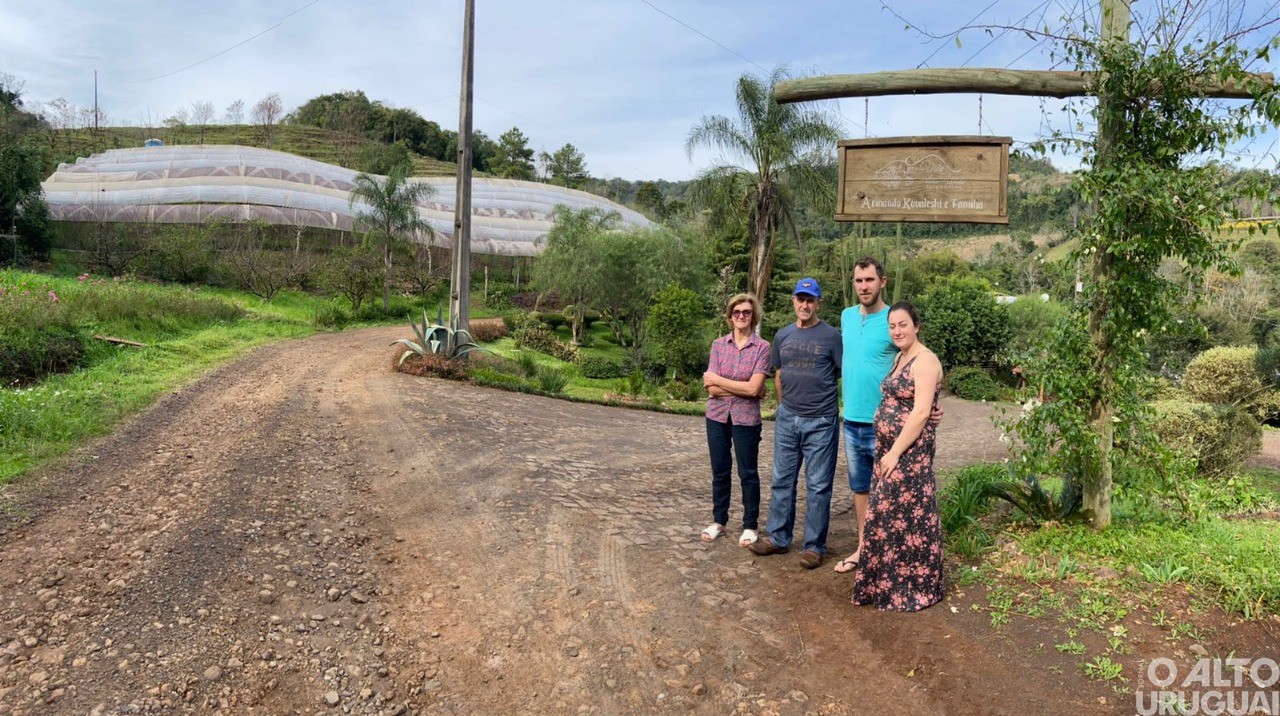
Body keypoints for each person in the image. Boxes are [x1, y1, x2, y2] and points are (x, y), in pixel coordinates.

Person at [833, 257, 942, 574]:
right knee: (861, 491)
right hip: (852, 421)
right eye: (858, 280)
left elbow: (925, 359)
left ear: (882, 281)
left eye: (869, 280)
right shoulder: (847, 316)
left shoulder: (895, 318)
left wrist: (935, 398)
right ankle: (864, 550)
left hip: (888, 433)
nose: (863, 286)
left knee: (892, 496)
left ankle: (894, 559)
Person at [850, 301, 945, 612]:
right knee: (889, 518)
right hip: (890, 451)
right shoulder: (901, 358)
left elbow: (919, 414)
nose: (897, 330)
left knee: (909, 520)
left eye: (903, 324)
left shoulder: (925, 360)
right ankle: (885, 584)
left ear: (916, 326)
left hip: (909, 455)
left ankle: (911, 588)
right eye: (892, 326)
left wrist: (893, 453)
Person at [749, 278, 842, 569]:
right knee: (782, 480)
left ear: (818, 303)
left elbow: (839, 373)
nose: (805, 305)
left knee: (818, 486)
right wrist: (783, 407)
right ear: (793, 301)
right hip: (788, 418)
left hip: (821, 420)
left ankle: (814, 546)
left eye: (810, 300)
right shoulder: (783, 335)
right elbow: (779, 373)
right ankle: (778, 538)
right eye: (800, 299)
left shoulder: (832, 336)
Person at [701, 293, 771, 547]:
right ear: (730, 316)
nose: (741, 316)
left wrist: (719, 380)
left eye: (747, 312)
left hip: (746, 420)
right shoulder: (718, 345)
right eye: (737, 312)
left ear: (754, 316)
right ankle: (719, 520)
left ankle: (750, 525)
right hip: (717, 416)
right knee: (720, 471)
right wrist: (742, 387)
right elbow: (712, 389)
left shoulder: (762, 347)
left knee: (748, 472)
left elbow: (755, 389)